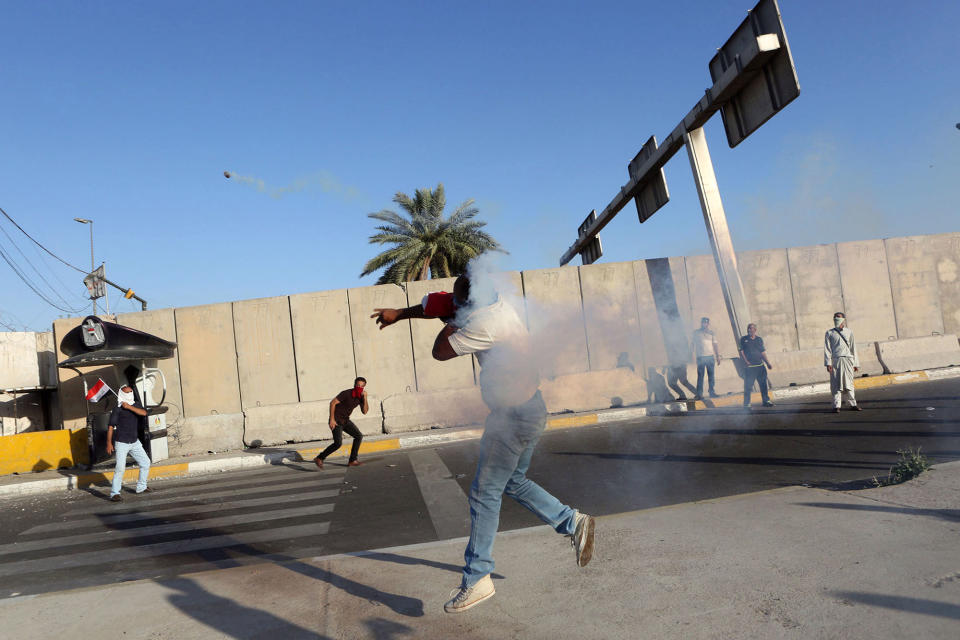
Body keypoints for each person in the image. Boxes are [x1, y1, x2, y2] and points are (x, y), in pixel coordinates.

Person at [372, 274, 595, 614]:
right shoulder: (498, 302)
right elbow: (439, 304)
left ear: (471, 307)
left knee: (483, 491)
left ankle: (477, 577)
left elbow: (440, 351)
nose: (454, 306)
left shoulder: (485, 325)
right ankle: (571, 521)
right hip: (531, 409)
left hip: (511, 416)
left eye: (460, 305)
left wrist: (452, 318)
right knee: (514, 482)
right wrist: (401, 314)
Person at [106, 385, 151, 502]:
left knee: (145, 462)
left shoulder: (135, 404)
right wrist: (108, 443)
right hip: (122, 442)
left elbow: (144, 413)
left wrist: (130, 407)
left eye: (131, 392)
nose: (130, 394)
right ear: (121, 394)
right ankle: (114, 493)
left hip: (134, 441)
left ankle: (141, 487)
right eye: (127, 393)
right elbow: (111, 426)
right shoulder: (117, 409)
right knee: (120, 468)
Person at [313, 377, 369, 469]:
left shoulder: (361, 397)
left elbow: (365, 411)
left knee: (358, 436)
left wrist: (365, 398)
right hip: (336, 420)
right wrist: (331, 419)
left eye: (361, 386)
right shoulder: (346, 393)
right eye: (358, 385)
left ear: (364, 387)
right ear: (354, 385)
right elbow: (332, 403)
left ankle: (352, 460)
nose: (359, 387)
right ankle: (319, 458)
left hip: (345, 420)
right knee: (338, 443)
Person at [824, 312, 861, 413]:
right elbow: (827, 349)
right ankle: (837, 406)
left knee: (849, 383)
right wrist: (828, 363)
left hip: (848, 360)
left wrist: (856, 364)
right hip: (836, 361)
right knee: (836, 384)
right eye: (835, 318)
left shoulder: (849, 332)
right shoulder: (829, 333)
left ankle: (853, 404)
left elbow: (853, 348)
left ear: (843, 319)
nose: (837, 319)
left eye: (839, 317)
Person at [739, 323, 774, 408]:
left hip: (760, 366)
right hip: (750, 368)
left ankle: (766, 401)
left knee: (763, 385)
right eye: (749, 328)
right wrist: (746, 361)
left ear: (755, 330)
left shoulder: (759, 339)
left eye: (752, 328)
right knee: (748, 386)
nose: (750, 330)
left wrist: (768, 363)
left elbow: (762, 352)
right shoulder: (743, 339)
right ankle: (746, 404)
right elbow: (741, 351)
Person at [692, 317, 721, 399]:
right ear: (701, 323)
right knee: (700, 376)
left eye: (706, 322)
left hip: (710, 357)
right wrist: (692, 355)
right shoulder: (696, 333)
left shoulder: (712, 333)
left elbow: (715, 345)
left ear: (708, 324)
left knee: (711, 376)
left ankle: (711, 392)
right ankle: (699, 394)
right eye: (703, 322)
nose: (704, 324)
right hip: (700, 357)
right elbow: (692, 344)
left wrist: (718, 356)